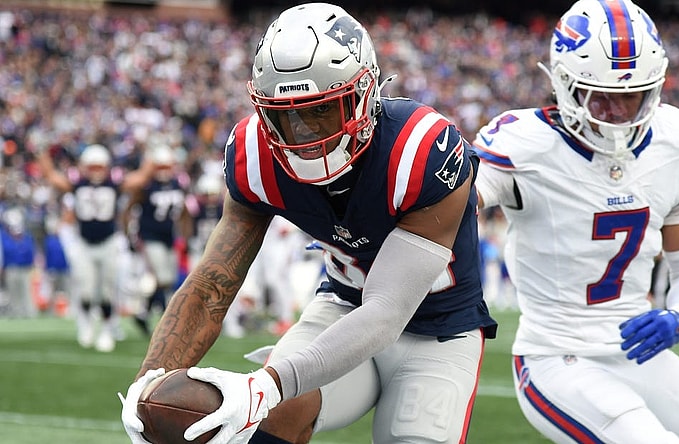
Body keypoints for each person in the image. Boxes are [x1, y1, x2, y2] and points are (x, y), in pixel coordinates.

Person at [120, 4, 497, 444]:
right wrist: (147, 385)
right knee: (268, 419)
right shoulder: (255, 155)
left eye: (321, 111)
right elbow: (212, 283)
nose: (302, 134)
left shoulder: (423, 150)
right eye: (284, 115)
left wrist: (266, 385)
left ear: (364, 95)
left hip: (438, 328)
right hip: (341, 306)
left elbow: (386, 312)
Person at [472, 0, 679, 442]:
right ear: (565, 84)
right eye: (603, 96)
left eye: (630, 96)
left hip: (637, 353)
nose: (617, 112)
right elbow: (452, 205)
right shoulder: (526, 147)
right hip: (556, 359)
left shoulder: (670, 143)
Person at [37, 143, 148, 352]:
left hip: (108, 242)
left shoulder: (114, 184)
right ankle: (87, 324)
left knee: (107, 291)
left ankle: (106, 330)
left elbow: (141, 178)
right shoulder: (77, 184)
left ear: (106, 166)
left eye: (99, 167)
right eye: (92, 167)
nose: (96, 171)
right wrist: (42, 154)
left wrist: (152, 155)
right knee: (86, 290)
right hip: (84, 243)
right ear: (85, 167)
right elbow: (51, 176)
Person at [123, 144, 191, 336]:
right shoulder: (146, 187)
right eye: (160, 167)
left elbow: (185, 212)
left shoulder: (178, 184)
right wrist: (129, 234)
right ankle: (163, 315)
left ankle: (143, 312)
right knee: (163, 277)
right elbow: (128, 209)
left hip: (169, 237)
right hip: (149, 235)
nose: (164, 171)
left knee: (167, 280)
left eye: (166, 167)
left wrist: (184, 237)